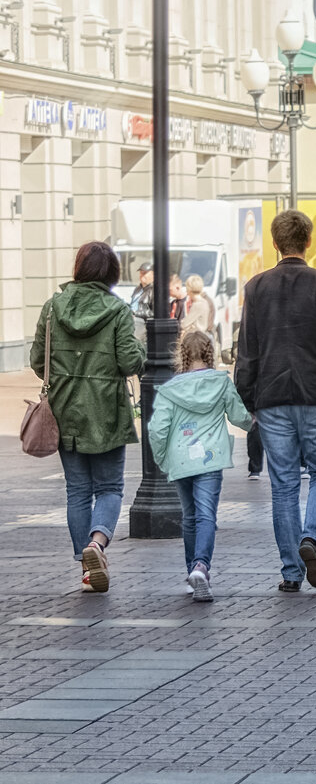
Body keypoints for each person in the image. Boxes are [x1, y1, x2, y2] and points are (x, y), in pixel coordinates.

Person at [234, 209, 316, 593]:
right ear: (308, 241)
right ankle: (311, 537)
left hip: (272, 398)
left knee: (284, 485)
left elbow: (247, 351)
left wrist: (248, 399)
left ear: (274, 243)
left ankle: (291, 572)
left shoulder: (256, 288)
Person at [30, 241, 146, 592]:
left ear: (78, 269)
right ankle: (97, 544)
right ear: (113, 273)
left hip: (65, 411)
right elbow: (129, 362)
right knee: (110, 487)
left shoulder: (53, 308)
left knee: (77, 491)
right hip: (107, 410)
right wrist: (140, 348)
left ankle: (86, 568)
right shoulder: (117, 310)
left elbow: (38, 361)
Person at [148, 331, 252, 602]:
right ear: (210, 352)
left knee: (190, 517)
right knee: (206, 515)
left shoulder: (170, 389)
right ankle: (201, 567)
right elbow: (240, 416)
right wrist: (253, 422)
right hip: (210, 458)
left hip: (181, 460)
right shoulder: (221, 383)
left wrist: (162, 458)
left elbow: (157, 429)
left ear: (181, 354)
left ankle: (191, 573)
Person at [130, 261, 154, 342]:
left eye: (145, 273)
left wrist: (137, 313)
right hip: (131, 320)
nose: (141, 275)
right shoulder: (137, 289)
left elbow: (157, 313)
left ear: (153, 274)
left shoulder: (154, 290)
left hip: (142, 323)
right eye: (141, 273)